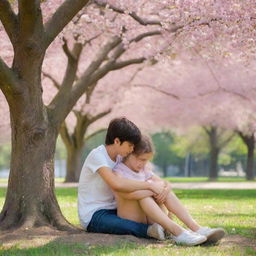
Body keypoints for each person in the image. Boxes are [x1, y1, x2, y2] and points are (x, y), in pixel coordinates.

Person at [113, 135, 225, 245]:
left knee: (165, 192)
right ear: (130, 153)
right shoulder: (119, 171)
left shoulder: (144, 170)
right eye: (141, 159)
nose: (143, 164)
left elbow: (164, 183)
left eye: (146, 160)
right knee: (144, 196)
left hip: (150, 217)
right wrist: (152, 190)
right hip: (132, 217)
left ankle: (197, 228)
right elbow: (129, 195)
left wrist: (165, 190)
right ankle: (178, 232)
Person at [78, 117, 167, 240]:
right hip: (95, 214)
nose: (132, 150)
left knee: (144, 201)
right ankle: (150, 230)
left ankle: (164, 225)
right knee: (123, 225)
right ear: (117, 141)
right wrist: (150, 186)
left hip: (117, 207)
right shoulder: (98, 156)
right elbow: (116, 184)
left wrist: (164, 187)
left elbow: (152, 177)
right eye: (130, 145)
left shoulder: (121, 158)